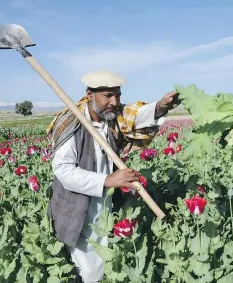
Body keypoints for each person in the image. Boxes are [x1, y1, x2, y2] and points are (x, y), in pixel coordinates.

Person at [46, 71, 180, 282]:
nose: (114, 102)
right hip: (77, 206)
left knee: (110, 258)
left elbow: (137, 115)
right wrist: (107, 180)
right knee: (90, 269)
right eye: (107, 96)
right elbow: (63, 170)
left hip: (107, 204)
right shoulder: (71, 123)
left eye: (117, 95)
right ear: (90, 94)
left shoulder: (112, 118)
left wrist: (162, 106)